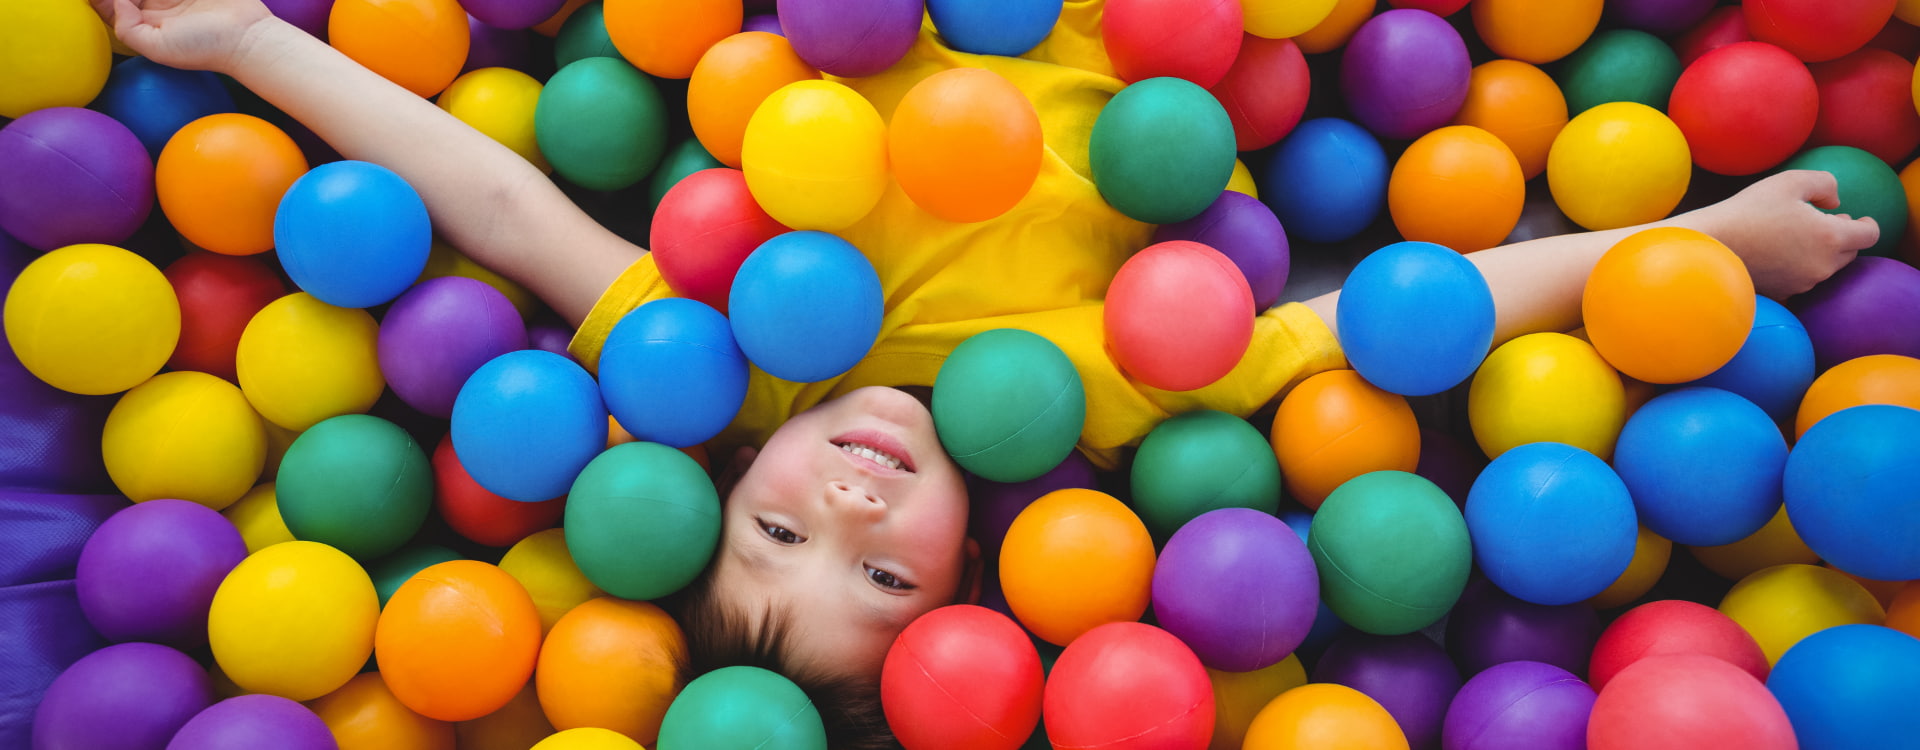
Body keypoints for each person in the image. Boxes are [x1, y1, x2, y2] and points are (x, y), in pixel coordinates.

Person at [93, 0, 1878, 746]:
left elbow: (495, 194)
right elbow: (1429, 303)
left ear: (708, 474)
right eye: (879, 570)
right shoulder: (1109, 393)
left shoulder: (732, 335)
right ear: (978, 572)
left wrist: (251, 40)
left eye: (773, 536)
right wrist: (1712, 239)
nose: (845, 505)